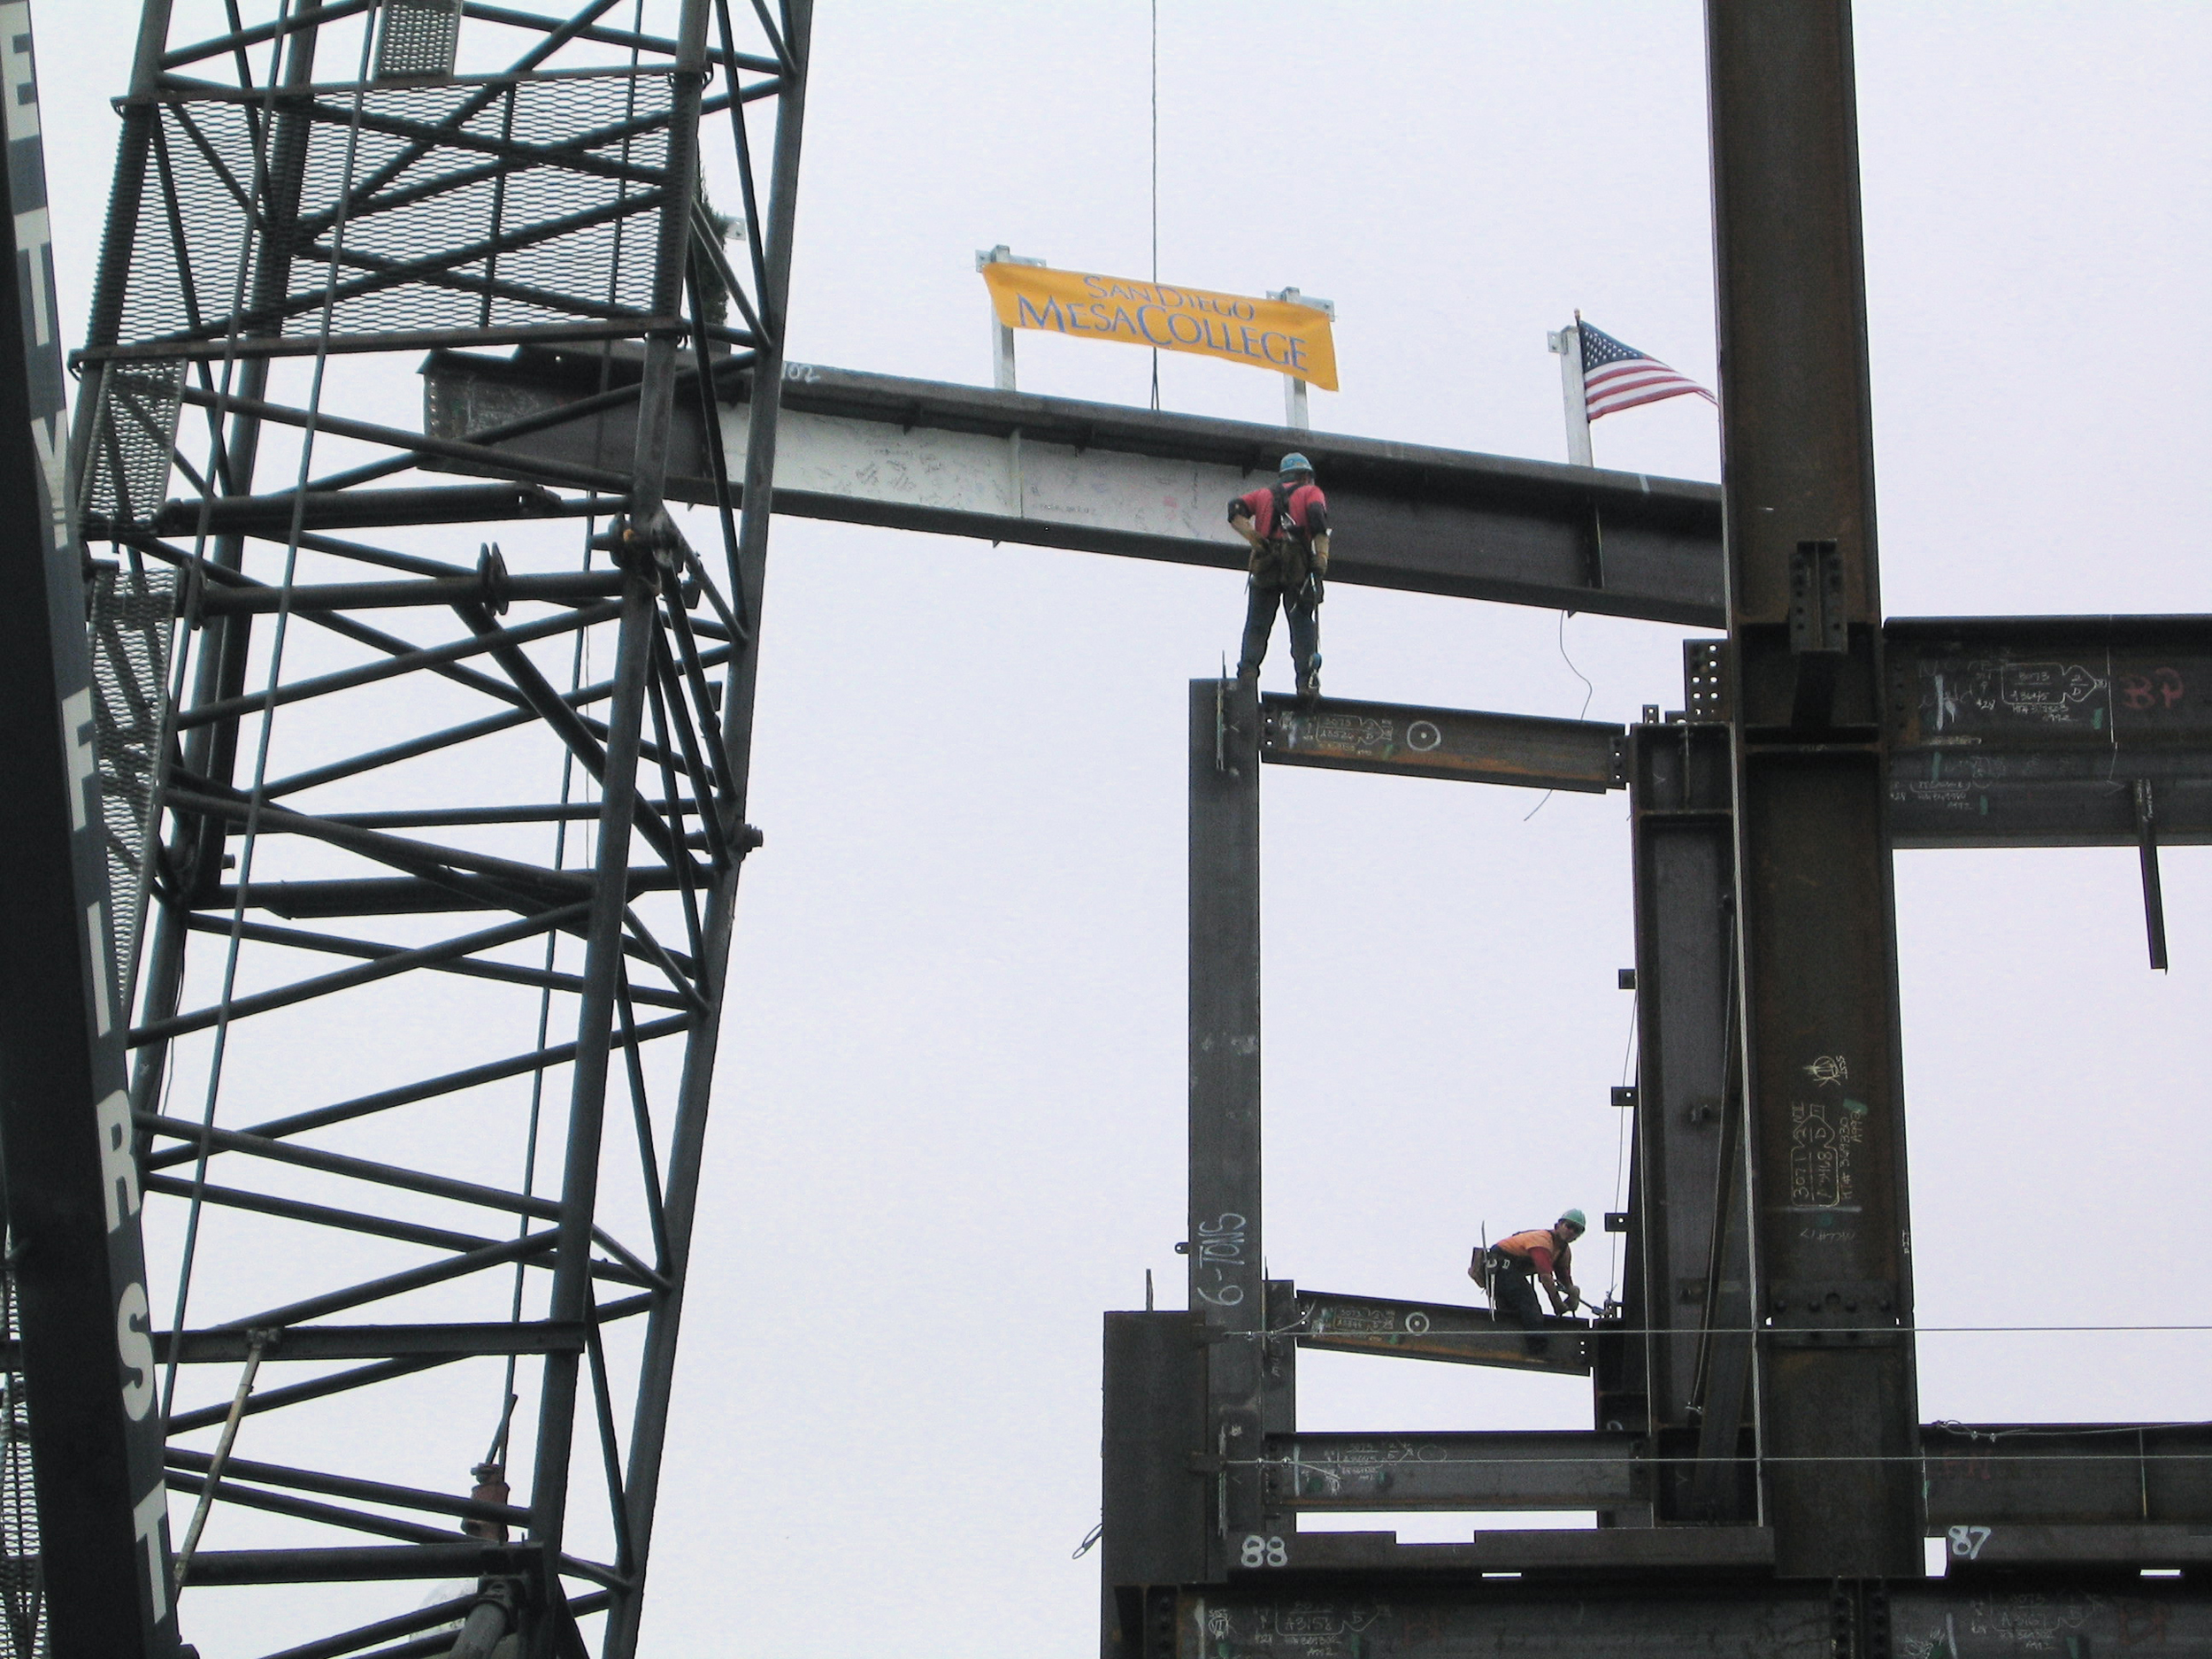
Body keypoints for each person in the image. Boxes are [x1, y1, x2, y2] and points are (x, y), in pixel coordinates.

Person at [1228, 453, 1332, 705]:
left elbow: (1234, 509)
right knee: (1301, 625)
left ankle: (1248, 674)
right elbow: (1318, 520)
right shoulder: (1311, 492)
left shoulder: (1263, 494)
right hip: (1297, 565)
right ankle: (1306, 683)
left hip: (1266, 564)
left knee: (1258, 623)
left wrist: (1255, 538)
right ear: (1306, 475)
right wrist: (1322, 558)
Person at [1473, 1210, 1587, 1353]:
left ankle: (1511, 1345)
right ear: (1558, 1225)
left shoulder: (1563, 1252)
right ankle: (1538, 1347)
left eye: (1576, 1230)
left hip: (1508, 1273)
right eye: (1569, 1226)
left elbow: (1564, 1279)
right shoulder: (1542, 1241)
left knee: (1513, 1313)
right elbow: (1546, 1278)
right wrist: (1557, 1303)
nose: (1571, 1232)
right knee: (1528, 1303)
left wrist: (1573, 1294)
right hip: (1500, 1267)